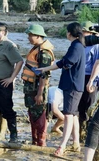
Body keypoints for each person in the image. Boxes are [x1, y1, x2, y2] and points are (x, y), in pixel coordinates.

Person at [38, 22, 86, 157]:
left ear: (70, 33)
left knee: (68, 115)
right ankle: (75, 143)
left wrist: (47, 68)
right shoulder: (78, 45)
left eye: (67, 31)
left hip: (72, 85)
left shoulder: (76, 46)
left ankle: (63, 145)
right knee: (74, 114)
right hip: (75, 85)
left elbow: (66, 62)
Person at [21, 24, 55, 146]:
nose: (29, 38)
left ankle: (41, 142)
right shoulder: (36, 48)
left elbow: (44, 75)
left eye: (31, 35)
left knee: (39, 115)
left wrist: (40, 94)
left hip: (37, 89)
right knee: (32, 114)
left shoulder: (44, 52)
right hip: (30, 87)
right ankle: (34, 141)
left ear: (38, 36)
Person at [79, 21, 99, 142]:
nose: (83, 34)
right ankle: (81, 134)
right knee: (80, 107)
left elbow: (97, 64)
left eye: (85, 32)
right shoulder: (82, 44)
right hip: (81, 77)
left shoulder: (96, 45)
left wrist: (93, 81)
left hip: (90, 79)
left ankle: (88, 135)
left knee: (89, 107)